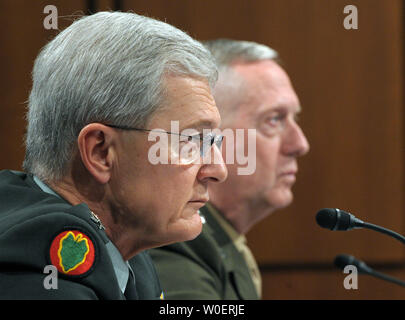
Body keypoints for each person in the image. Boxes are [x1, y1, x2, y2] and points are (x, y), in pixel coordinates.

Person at [0, 12, 227, 299]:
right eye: (192, 141)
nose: (218, 169)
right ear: (101, 152)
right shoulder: (40, 266)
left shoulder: (124, 251)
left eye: (212, 142)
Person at [150, 39, 310, 299]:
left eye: (295, 118)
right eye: (274, 119)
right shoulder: (177, 240)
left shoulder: (222, 239)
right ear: (209, 132)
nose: (300, 144)